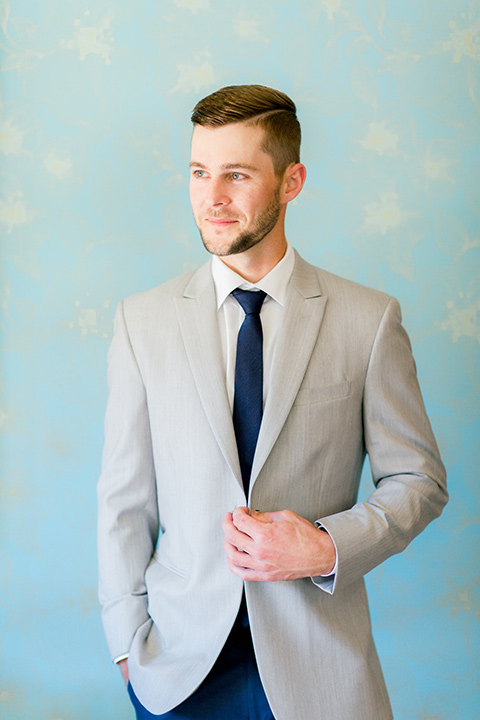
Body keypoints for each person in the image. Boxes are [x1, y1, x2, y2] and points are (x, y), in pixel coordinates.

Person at [97, 84, 448, 720]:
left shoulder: (368, 320)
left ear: (291, 182)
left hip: (322, 664)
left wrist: (326, 545)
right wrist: (125, 637)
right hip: (177, 670)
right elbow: (125, 495)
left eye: (237, 174)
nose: (213, 199)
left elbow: (418, 481)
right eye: (200, 173)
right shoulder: (140, 321)